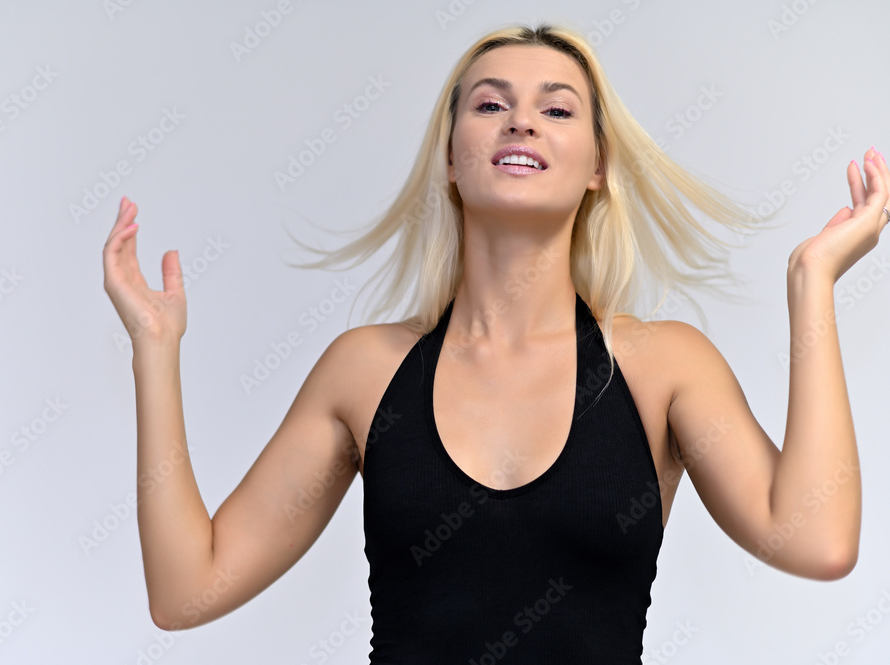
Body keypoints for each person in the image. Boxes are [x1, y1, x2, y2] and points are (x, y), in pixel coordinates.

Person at [102, 22, 888, 663]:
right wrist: (154, 350)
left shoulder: (662, 367)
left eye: (557, 108)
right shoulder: (365, 372)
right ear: (449, 158)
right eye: (488, 105)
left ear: (598, 167)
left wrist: (811, 283)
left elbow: (817, 539)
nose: (520, 120)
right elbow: (186, 590)